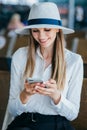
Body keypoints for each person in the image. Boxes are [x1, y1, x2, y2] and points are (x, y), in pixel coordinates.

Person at [6, 2, 83, 130]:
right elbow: (13, 110)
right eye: (35, 31)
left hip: (57, 125)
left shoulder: (74, 61)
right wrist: (25, 94)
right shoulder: (20, 56)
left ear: (57, 29)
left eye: (47, 29)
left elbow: (72, 114)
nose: (41, 36)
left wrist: (56, 96)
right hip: (24, 124)